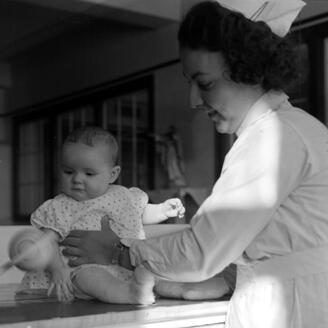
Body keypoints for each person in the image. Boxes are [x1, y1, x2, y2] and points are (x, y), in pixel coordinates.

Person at [61, 1, 328, 327]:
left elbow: (202, 249)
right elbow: (284, 237)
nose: (193, 100)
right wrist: (224, 274)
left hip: (288, 310)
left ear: (250, 70)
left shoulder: (272, 138)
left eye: (205, 83)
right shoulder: (297, 128)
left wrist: (121, 252)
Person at [18, 126, 188, 303]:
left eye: (89, 173)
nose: (77, 179)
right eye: (68, 171)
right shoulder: (60, 206)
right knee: (92, 276)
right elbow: (47, 242)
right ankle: (131, 295)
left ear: (112, 174)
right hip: (78, 270)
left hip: (124, 265)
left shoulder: (124, 195)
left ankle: (182, 289)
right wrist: (57, 269)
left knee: (151, 270)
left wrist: (162, 210)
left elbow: (138, 214)